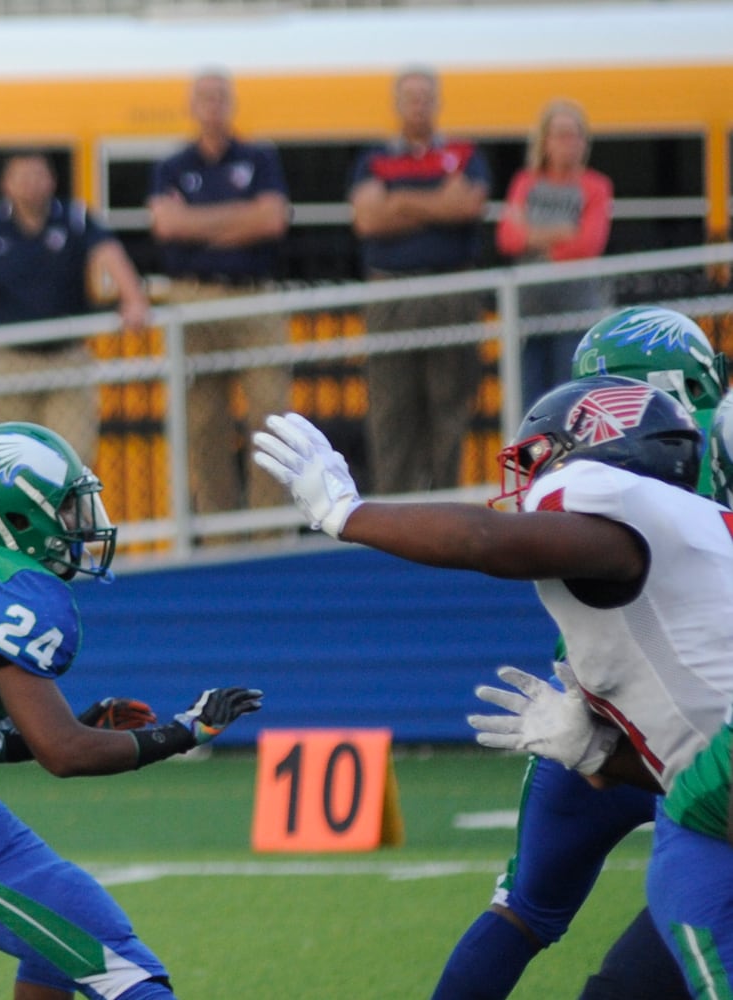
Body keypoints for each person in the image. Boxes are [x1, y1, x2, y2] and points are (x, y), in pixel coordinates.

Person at [251, 378, 733, 1000]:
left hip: (713, 782)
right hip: (706, 787)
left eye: (538, 458)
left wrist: (348, 514)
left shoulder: (608, 493)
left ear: (601, 441)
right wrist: (598, 755)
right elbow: (694, 763)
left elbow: (487, 540)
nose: (529, 480)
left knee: (676, 891)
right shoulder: (691, 532)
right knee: (683, 892)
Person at [0, 420, 263, 1000]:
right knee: (122, 966)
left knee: (56, 951)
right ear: (13, 516)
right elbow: (66, 755)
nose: (80, 525)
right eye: (65, 509)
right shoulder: (13, 587)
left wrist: (71, 724)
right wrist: (185, 732)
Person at [429, 304, 723, 1000]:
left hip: (600, 715)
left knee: (526, 911)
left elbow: (502, 542)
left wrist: (349, 512)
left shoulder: (617, 477)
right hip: (688, 729)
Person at [0, 152, 151, 467]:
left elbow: (109, 252)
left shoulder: (73, 218)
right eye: (22, 177)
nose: (31, 185)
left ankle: (67, 515)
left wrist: (133, 300)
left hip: (66, 356)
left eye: (38, 176)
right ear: (6, 184)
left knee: (72, 459)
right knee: (18, 461)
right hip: (8, 360)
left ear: (52, 180)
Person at [148, 68, 293, 519]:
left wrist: (198, 225)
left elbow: (272, 221)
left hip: (253, 297)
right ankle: (219, 531)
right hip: (192, 301)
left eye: (220, 97)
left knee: (270, 416)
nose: (212, 105)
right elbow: (165, 226)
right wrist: (239, 220)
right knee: (202, 421)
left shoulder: (261, 159)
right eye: (204, 97)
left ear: (231, 105)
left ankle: (269, 529)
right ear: (192, 107)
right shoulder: (172, 166)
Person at [348, 66, 492, 495]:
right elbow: (368, 219)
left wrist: (399, 200)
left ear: (438, 102)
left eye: (426, 96)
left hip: (451, 291)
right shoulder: (370, 158)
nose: (418, 104)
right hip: (390, 293)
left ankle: (445, 505)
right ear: (396, 104)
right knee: (392, 411)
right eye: (410, 96)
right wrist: (435, 202)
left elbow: (467, 207)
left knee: (450, 406)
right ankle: (396, 513)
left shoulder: (467, 154)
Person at [497, 99, 614, 403]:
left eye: (575, 135)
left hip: (576, 314)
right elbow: (508, 237)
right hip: (528, 314)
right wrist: (562, 233)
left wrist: (535, 238)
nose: (569, 144)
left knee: (569, 402)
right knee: (529, 404)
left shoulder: (596, 186)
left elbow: (589, 243)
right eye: (561, 134)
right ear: (545, 141)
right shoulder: (526, 182)